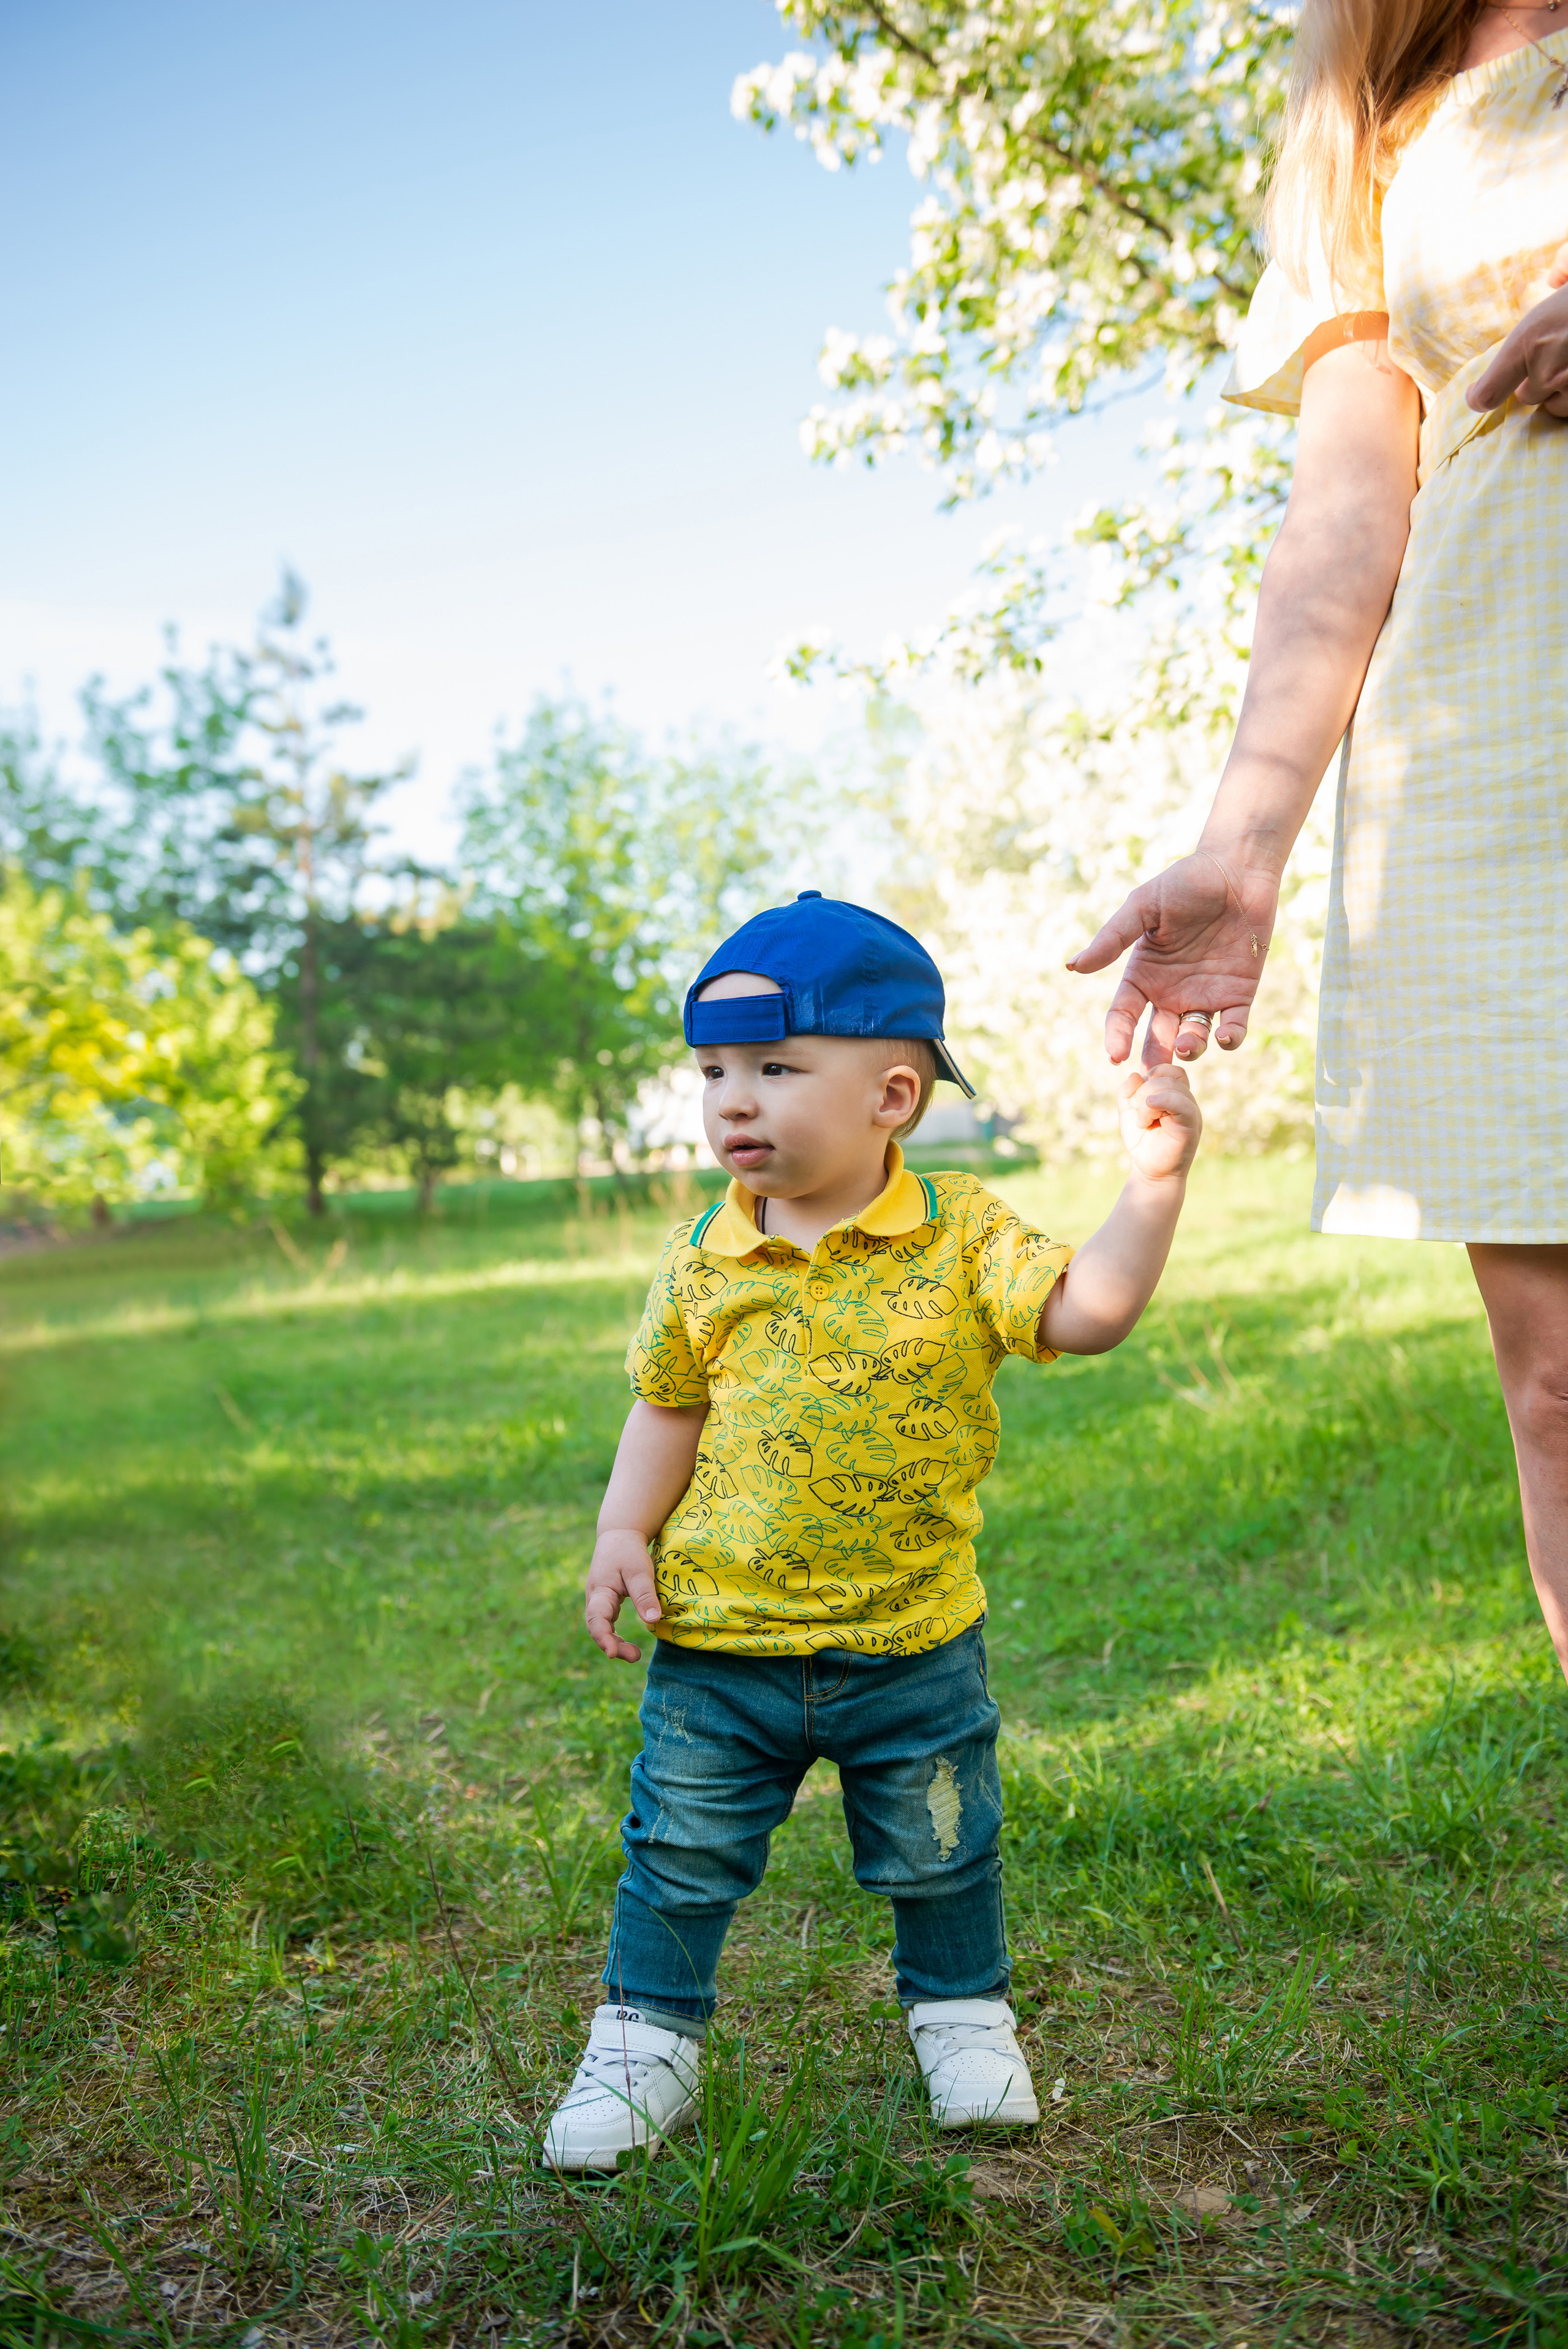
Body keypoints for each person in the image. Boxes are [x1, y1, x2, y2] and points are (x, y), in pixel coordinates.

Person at [542, 892, 1201, 2170]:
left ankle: (961, 2017)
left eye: (777, 1069)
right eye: (714, 1072)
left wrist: (1155, 1180)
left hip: (909, 1645)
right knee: (675, 1855)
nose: (733, 1101)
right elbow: (666, 1403)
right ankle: (643, 2046)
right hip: (719, 1645)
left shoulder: (962, 1236)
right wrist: (624, 1531)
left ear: (891, 1096)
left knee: (941, 1850)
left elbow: (1086, 1312)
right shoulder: (704, 1257)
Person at [1068, 0, 1568, 1683]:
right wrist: (1243, 843)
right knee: (1561, 1389)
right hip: (1497, 761)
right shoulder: (1377, 99)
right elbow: (1349, 508)